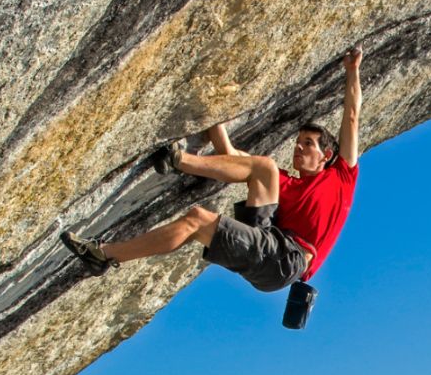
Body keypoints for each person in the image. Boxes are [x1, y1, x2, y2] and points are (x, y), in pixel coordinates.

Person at [62, 47, 362, 295]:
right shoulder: (285, 182)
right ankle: (178, 160)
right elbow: (229, 156)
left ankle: (106, 254)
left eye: (307, 144)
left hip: (284, 261)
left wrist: (352, 70)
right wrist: (210, 108)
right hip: (268, 237)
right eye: (298, 142)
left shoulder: (341, 176)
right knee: (264, 167)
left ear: (327, 155)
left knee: (196, 220)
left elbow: (351, 117)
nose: (298, 148)